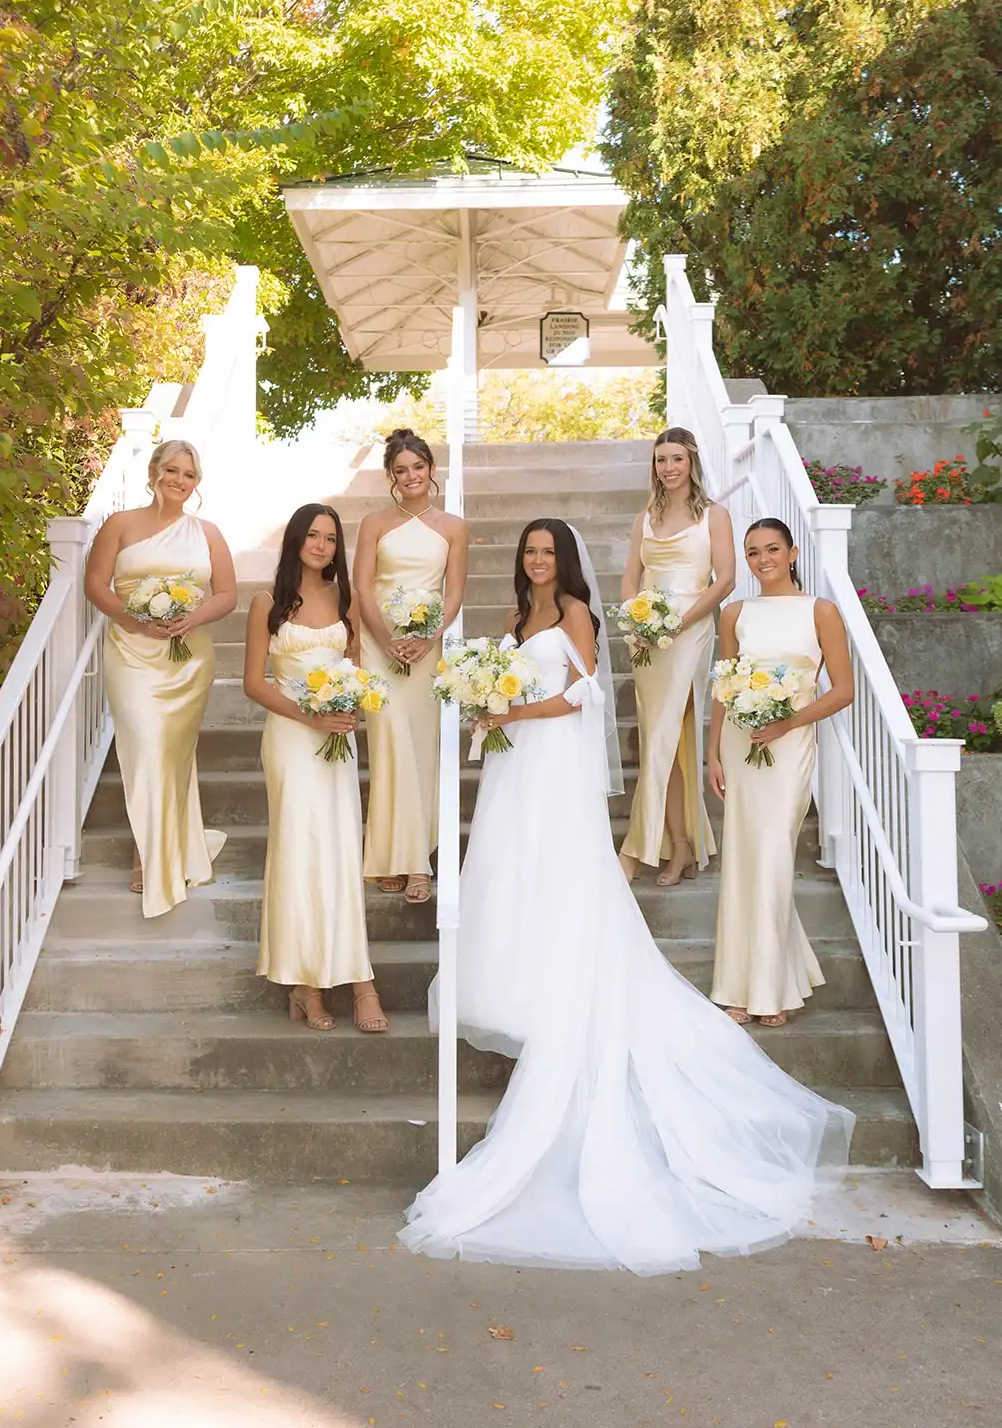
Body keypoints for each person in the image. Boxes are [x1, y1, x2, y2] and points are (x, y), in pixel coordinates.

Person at [399, 517, 853, 1277]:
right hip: (514, 766)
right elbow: (517, 681)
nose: (537, 560)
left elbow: (579, 694)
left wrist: (507, 709)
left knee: (558, 870)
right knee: (511, 870)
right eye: (529, 552)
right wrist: (486, 700)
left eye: (547, 551)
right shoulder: (515, 618)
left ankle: (575, 981)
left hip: (548, 763)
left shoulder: (576, 611)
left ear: (563, 560)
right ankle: (520, 977)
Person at [243, 504, 388, 1034]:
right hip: (290, 736)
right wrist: (311, 715)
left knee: (342, 850)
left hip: (338, 739)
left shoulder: (344, 600)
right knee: (299, 851)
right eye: (312, 535)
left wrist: (349, 703)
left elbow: (354, 668)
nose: (321, 545)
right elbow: (254, 683)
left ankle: (359, 980)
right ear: (295, 540)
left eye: (330, 538)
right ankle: (305, 985)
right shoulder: (267, 603)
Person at [709, 519, 854, 1027]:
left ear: (792, 552)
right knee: (745, 860)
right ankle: (741, 986)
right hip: (741, 744)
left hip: (790, 744)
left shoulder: (821, 611)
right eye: (752, 552)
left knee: (772, 855)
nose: (762, 558)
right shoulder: (733, 613)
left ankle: (768, 990)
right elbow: (722, 687)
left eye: (772, 549)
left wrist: (787, 722)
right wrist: (713, 754)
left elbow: (842, 690)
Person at [85, 439, 235, 917]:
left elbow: (227, 594)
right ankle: (149, 850)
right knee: (146, 745)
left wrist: (192, 618)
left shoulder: (207, 532)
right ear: (154, 472)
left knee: (171, 755)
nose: (179, 480)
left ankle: (155, 849)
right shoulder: (120, 524)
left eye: (188, 475)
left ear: (197, 483)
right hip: (130, 650)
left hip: (187, 656)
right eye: (171, 470)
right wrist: (135, 620)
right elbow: (95, 584)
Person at [353, 429, 468, 904]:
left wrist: (427, 639)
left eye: (417, 467)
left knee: (421, 749)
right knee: (388, 744)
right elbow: (361, 586)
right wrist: (387, 639)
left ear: (431, 469)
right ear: (391, 476)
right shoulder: (374, 523)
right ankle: (391, 854)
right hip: (380, 644)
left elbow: (454, 592)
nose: (410, 476)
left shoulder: (453, 528)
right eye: (400, 470)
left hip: (426, 650)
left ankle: (416, 859)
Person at [619, 428, 735, 887]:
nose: (667, 468)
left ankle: (636, 850)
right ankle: (681, 846)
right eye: (660, 460)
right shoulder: (644, 518)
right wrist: (638, 621)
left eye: (676, 459)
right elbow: (631, 578)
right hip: (648, 639)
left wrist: (678, 622)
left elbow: (724, 579)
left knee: (667, 733)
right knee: (660, 738)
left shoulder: (714, 516)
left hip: (690, 630)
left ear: (691, 463)